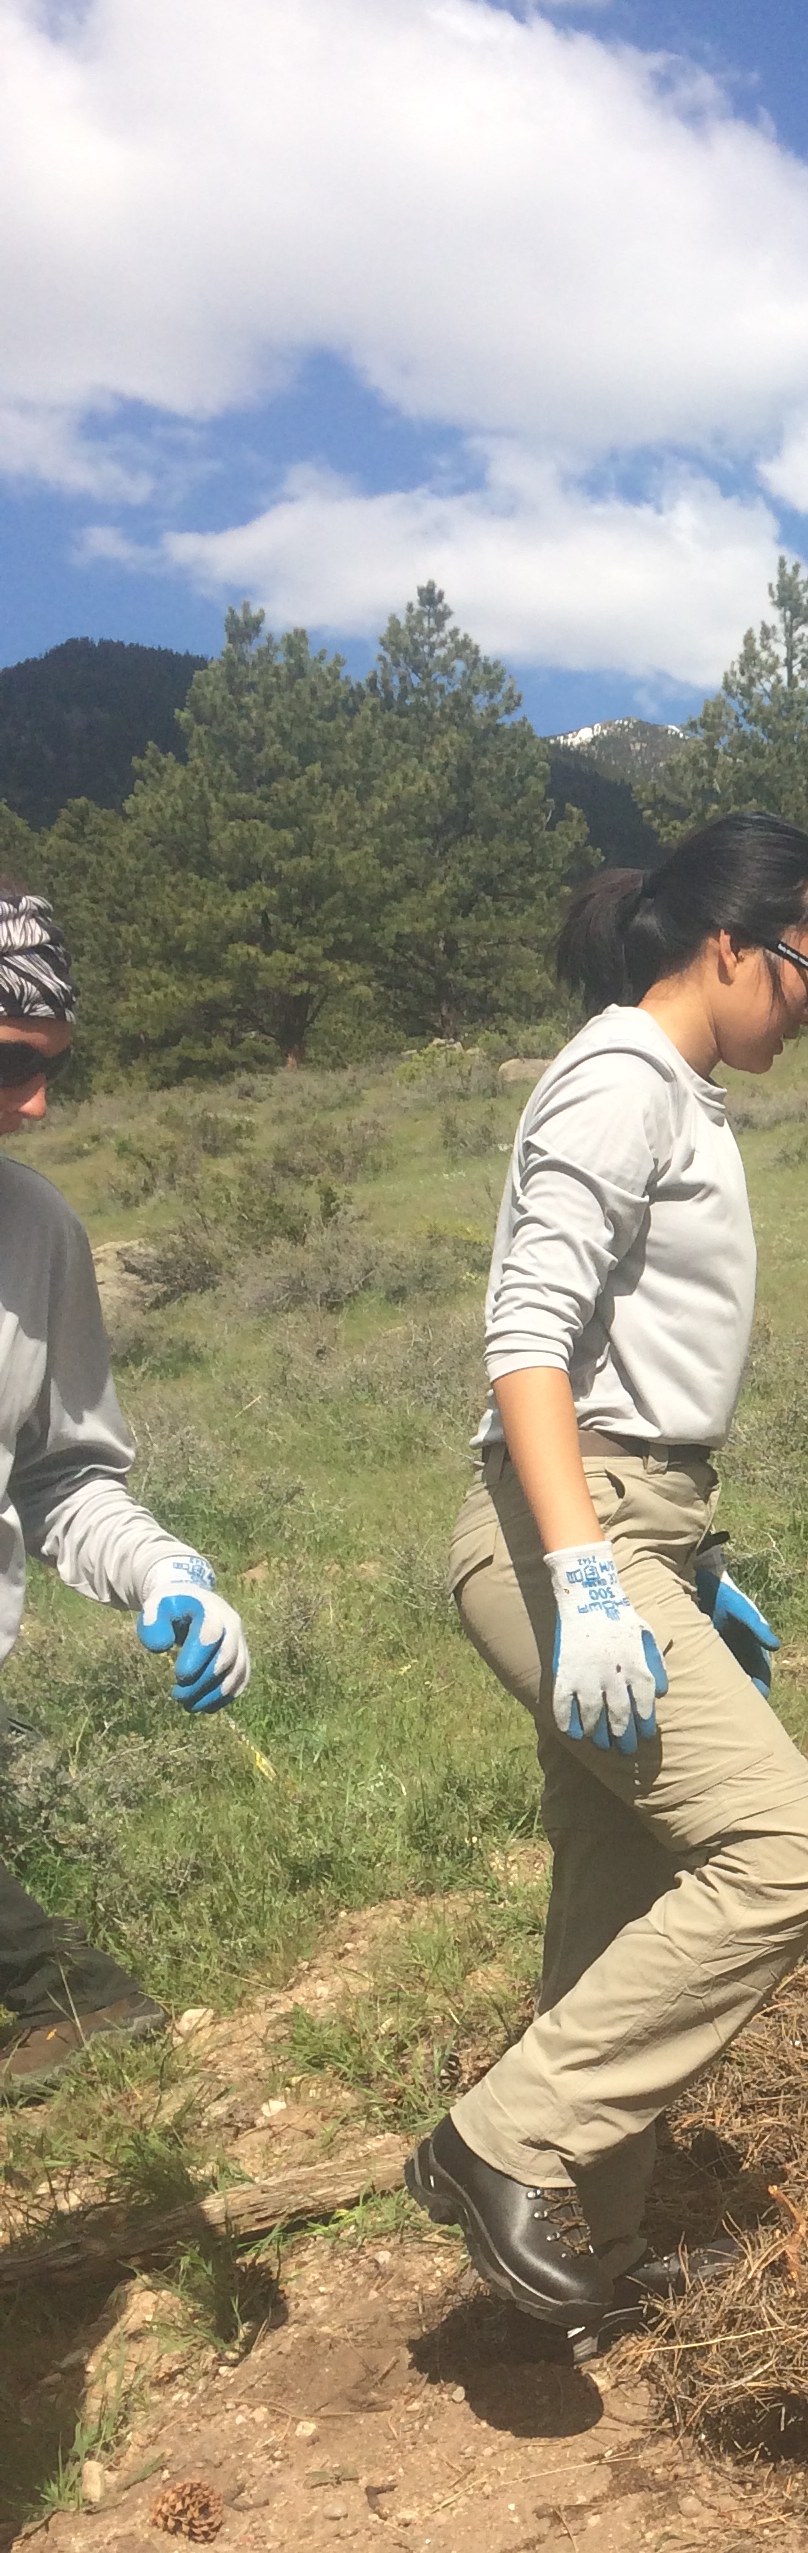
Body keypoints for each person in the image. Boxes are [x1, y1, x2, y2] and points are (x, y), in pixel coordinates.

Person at [405, 813, 808, 2348]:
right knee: (783, 1854)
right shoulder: (617, 1078)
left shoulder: (682, 1094)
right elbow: (528, 1337)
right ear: (729, 944)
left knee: (622, 1879)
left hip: (631, 1520)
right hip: (563, 1525)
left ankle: (593, 2252)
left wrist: (682, 1564)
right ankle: (494, 2145)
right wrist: (591, 1577)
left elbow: (626, 1362)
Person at [0, 884, 251, 2098]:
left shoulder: (35, 1233)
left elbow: (62, 1473)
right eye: (10, 1062)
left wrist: (169, 1572)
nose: (38, 1103)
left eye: (54, 1066)